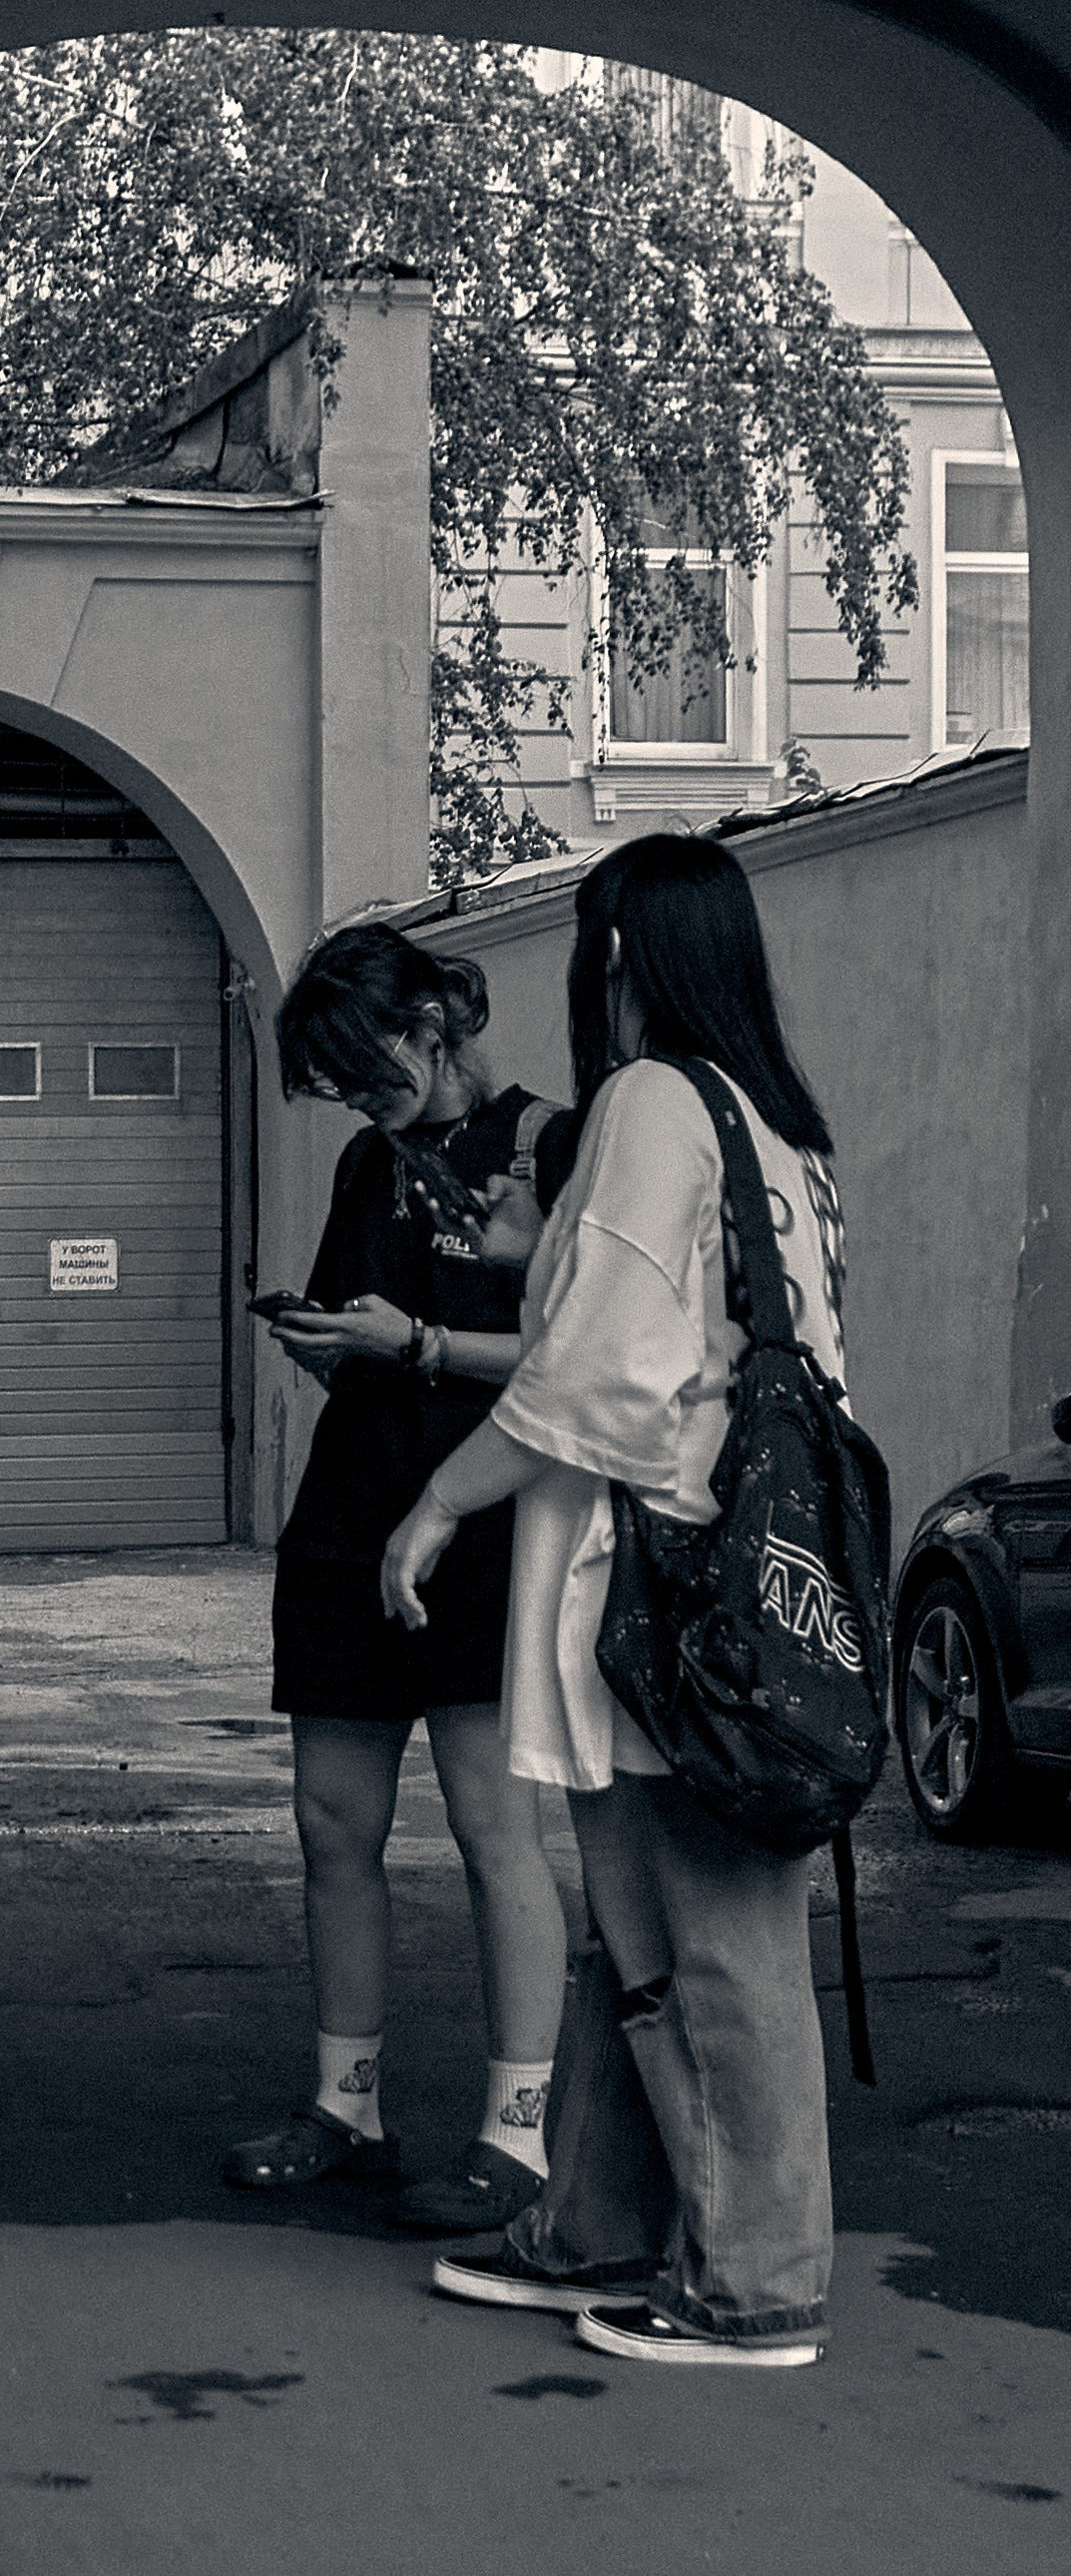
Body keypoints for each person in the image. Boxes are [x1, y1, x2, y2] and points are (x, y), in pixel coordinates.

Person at [381, 835, 849, 2368]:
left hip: (667, 1584)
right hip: (738, 1584)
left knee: (710, 1944)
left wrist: (440, 1500)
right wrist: (544, 1259)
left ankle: (756, 2283)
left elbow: (608, 1375)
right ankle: (592, 2223)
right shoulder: (783, 1131)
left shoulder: (655, 1101)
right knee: (641, 1931)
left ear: (621, 956)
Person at [222, 926, 570, 2235]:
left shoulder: (552, 1143)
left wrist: (417, 1340)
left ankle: (517, 2135)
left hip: (485, 1518)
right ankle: (345, 2105)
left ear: (434, 1019)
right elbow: (363, 1331)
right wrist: (332, 1343)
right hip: (349, 1514)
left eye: (370, 1072)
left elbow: (577, 1358)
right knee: (332, 1824)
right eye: (337, 1088)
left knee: (493, 1830)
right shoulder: (371, 1163)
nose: (362, 1105)